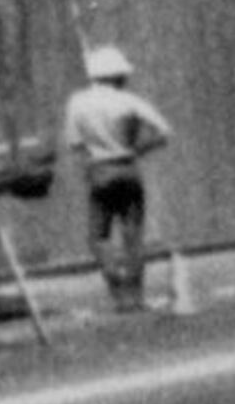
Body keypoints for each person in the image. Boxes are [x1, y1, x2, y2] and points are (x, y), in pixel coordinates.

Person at [62, 41, 172, 311]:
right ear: (118, 75)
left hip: (99, 171)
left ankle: (117, 289)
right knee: (133, 234)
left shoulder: (78, 103)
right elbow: (164, 131)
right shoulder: (129, 101)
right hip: (127, 167)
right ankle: (136, 295)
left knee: (98, 237)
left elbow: (74, 143)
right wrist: (135, 149)